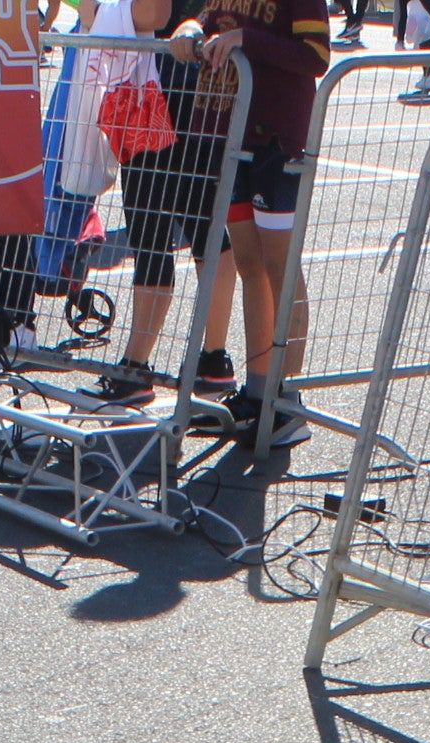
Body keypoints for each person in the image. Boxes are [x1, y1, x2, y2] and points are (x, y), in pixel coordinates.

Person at [172, 0, 325, 433]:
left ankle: (287, 397)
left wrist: (246, 40)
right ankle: (259, 390)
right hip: (231, 131)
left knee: (280, 265)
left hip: (278, 138)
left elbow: (316, 55)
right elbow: (205, 21)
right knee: (249, 264)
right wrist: (187, 30)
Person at [94, 0, 243, 406]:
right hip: (182, 93)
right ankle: (213, 357)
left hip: (160, 96)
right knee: (201, 228)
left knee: (156, 233)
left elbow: (156, 15)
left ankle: (137, 366)